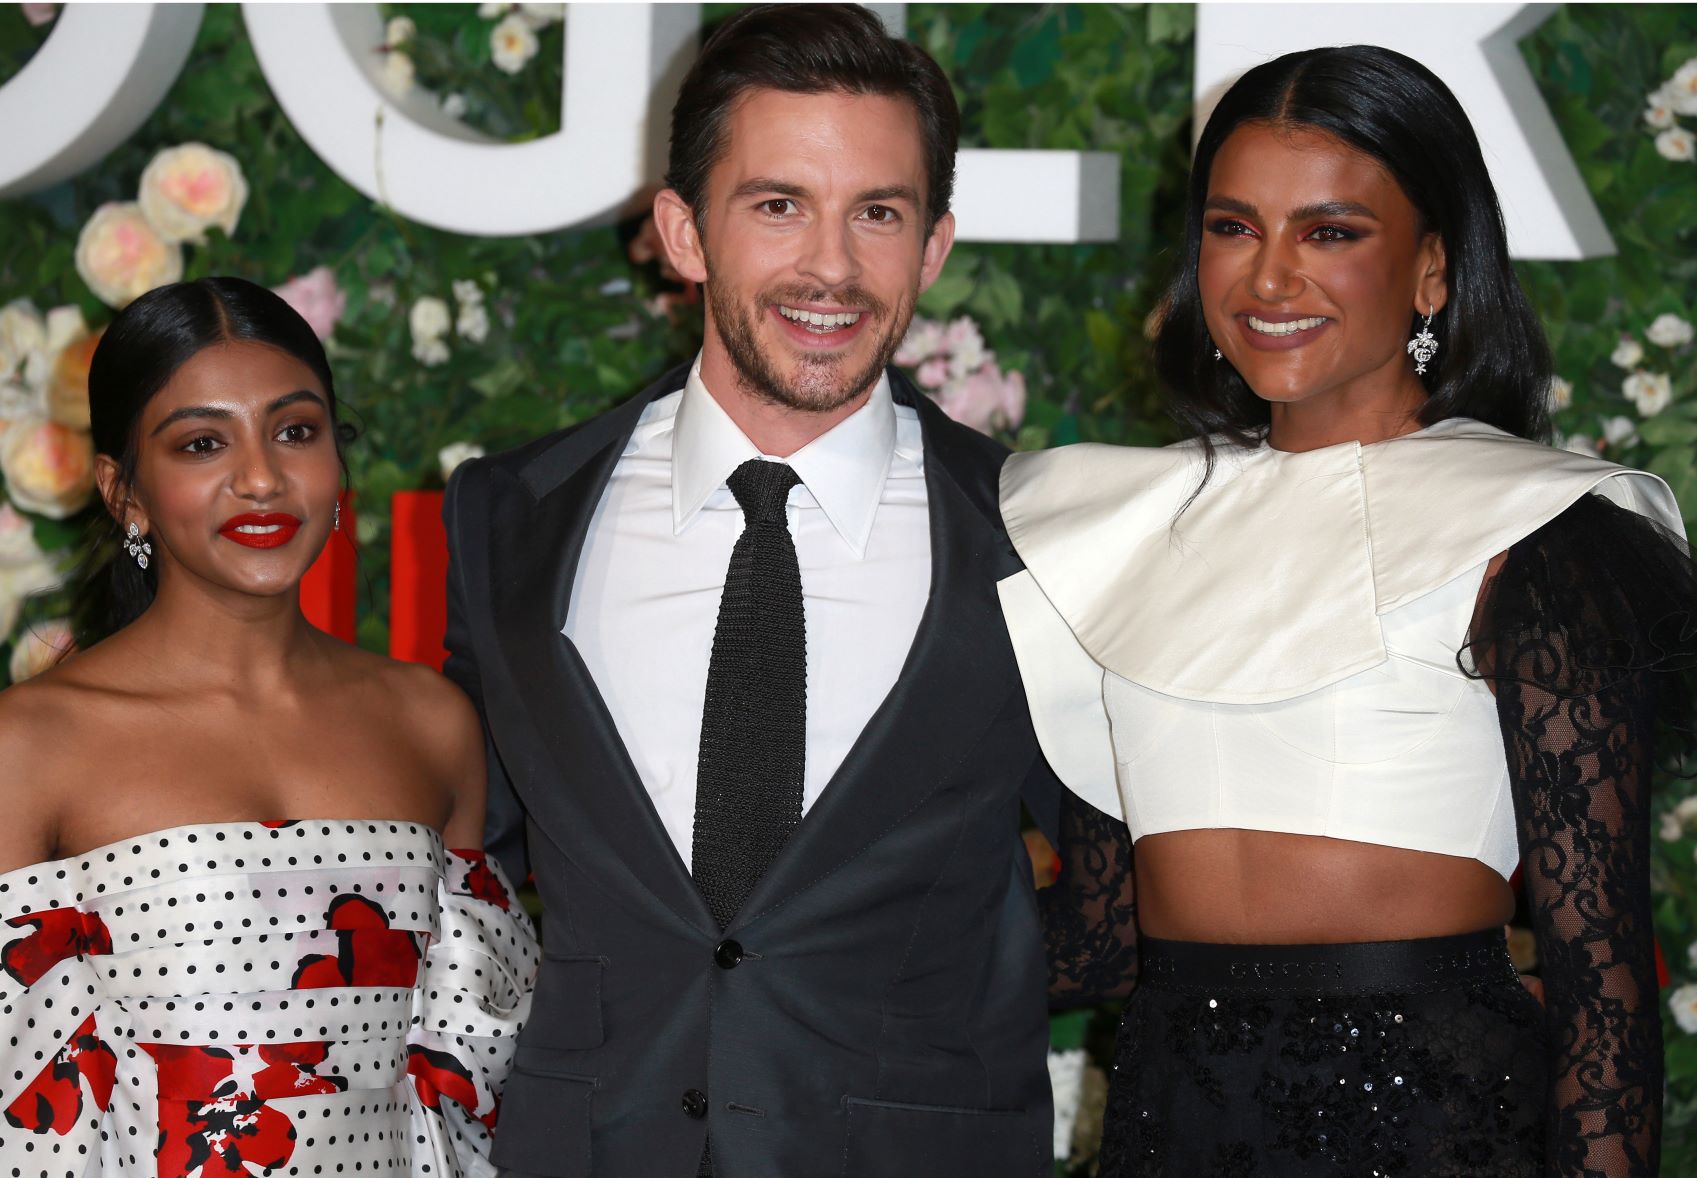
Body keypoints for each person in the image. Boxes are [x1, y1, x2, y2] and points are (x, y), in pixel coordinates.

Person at [999, 46, 1686, 1178]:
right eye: (1232, 227)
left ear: (1429, 268)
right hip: (1172, 1109)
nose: (1268, 279)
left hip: (1431, 1117)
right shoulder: (1113, 524)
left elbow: (1599, 990)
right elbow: (1094, 935)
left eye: (1328, 232)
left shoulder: (1535, 529)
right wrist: (789, 953)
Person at [441, 6, 1061, 1176]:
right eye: (777, 205)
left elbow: (1131, 886)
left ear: (930, 247)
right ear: (683, 232)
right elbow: (457, 861)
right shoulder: (510, 518)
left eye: (876, 213)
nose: (830, 266)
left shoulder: (1037, 533)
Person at [0, 278, 538, 1177]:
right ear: (122, 489)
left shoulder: (429, 722)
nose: (260, 477)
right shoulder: (32, 745)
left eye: (296, 431)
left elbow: (465, 1085)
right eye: (202, 443)